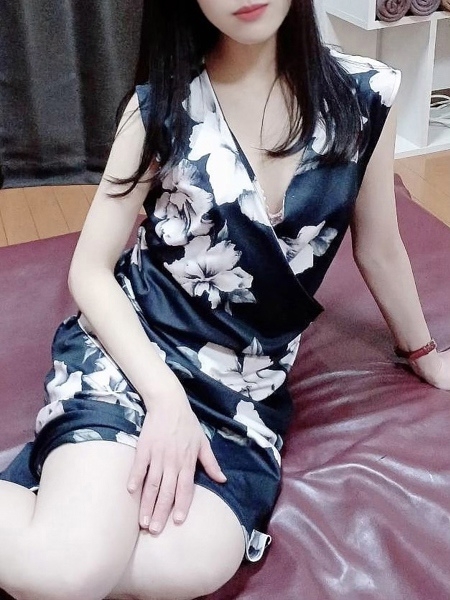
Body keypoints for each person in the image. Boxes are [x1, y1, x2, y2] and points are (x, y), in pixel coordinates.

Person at [1, 1, 449, 599]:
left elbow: (381, 247)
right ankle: (72, 532)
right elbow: (90, 270)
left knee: (192, 564)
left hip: (242, 391)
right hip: (135, 354)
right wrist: (164, 398)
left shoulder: (366, 97)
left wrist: (422, 353)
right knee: (69, 572)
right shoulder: (160, 107)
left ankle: (65, 522)